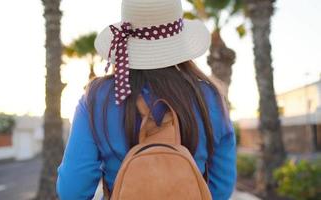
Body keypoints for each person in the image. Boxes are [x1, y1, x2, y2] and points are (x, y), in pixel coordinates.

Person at [56, 0, 237, 199]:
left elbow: (72, 191)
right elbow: (221, 186)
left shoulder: (98, 97)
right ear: (179, 38)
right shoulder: (209, 96)